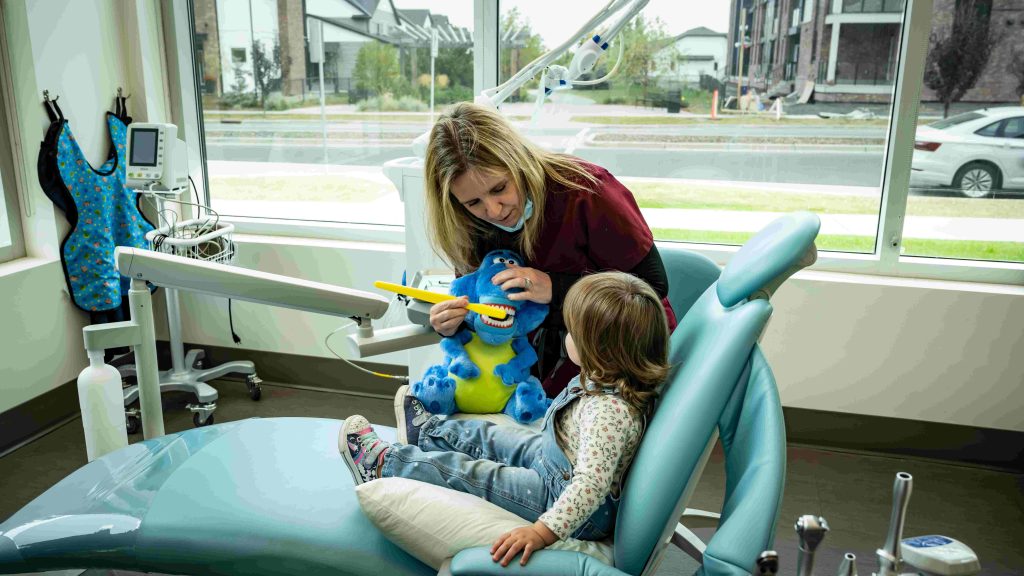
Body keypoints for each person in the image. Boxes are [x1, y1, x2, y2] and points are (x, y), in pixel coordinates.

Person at [340, 272, 671, 567]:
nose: (567, 336)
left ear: (599, 350)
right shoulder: (610, 375)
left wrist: (541, 532)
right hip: (555, 457)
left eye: (572, 332)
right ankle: (428, 432)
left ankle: (385, 464)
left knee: (478, 476)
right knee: (495, 437)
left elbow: (589, 486)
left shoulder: (608, 413)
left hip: (562, 497)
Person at [423, 101, 676, 398]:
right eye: (473, 203)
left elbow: (652, 287)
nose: (493, 210)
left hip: (616, 352)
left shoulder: (587, 192)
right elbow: (483, 309)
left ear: (518, 162)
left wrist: (556, 289)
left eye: (499, 189)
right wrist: (453, 324)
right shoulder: (468, 225)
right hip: (529, 364)